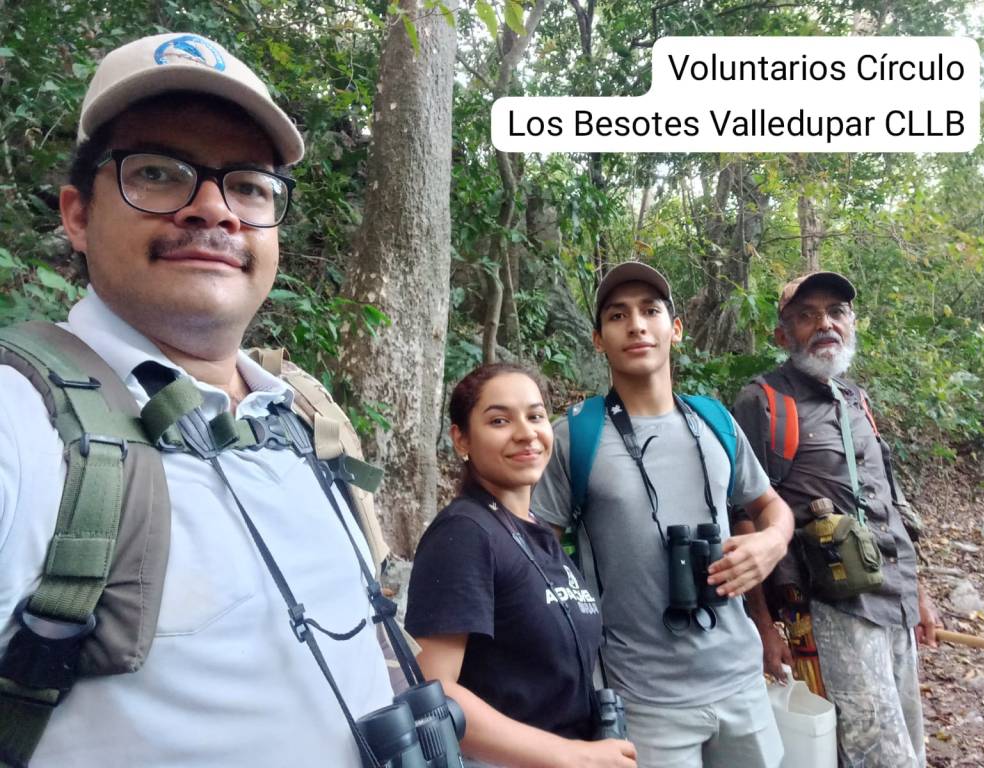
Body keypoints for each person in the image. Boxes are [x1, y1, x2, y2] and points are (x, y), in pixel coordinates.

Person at [0, 33, 394, 765]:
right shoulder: (22, 422)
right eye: (158, 172)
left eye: (248, 185)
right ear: (77, 215)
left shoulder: (303, 415)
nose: (214, 210)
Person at [531, 262, 793, 768]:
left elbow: (771, 506)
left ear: (675, 329)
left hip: (740, 680)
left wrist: (772, 543)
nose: (636, 325)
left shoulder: (714, 421)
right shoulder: (574, 436)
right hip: (641, 694)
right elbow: (536, 551)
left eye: (651, 311)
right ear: (598, 339)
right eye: (617, 315)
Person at [732, 271, 942, 768]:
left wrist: (919, 592)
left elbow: (888, 500)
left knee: (911, 743)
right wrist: (762, 627)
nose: (824, 323)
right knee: (871, 755)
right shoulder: (762, 402)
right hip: (829, 609)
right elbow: (740, 516)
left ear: (851, 323)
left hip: (893, 601)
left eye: (836, 312)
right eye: (806, 316)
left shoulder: (855, 400)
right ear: (783, 335)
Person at [405, 363, 637, 768]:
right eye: (499, 420)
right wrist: (571, 754)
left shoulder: (537, 532)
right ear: (461, 439)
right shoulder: (464, 533)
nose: (526, 432)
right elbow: (433, 690)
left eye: (535, 416)